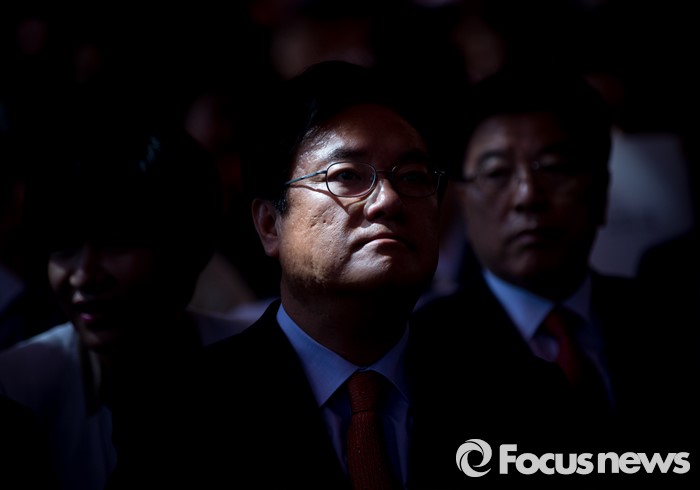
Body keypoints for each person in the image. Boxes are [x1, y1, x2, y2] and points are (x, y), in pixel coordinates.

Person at [108, 60, 572, 490]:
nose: (388, 200)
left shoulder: (524, 398)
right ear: (270, 224)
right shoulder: (179, 413)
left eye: (412, 176)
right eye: (347, 176)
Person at [414, 64, 695, 486]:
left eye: (555, 167)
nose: (528, 196)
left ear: (601, 193)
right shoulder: (424, 351)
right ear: (464, 203)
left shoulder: (669, 321)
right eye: (497, 173)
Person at [0, 113, 246, 490]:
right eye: (63, 248)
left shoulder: (256, 365)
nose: (84, 275)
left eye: (115, 244)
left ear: (182, 248)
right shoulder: (17, 387)